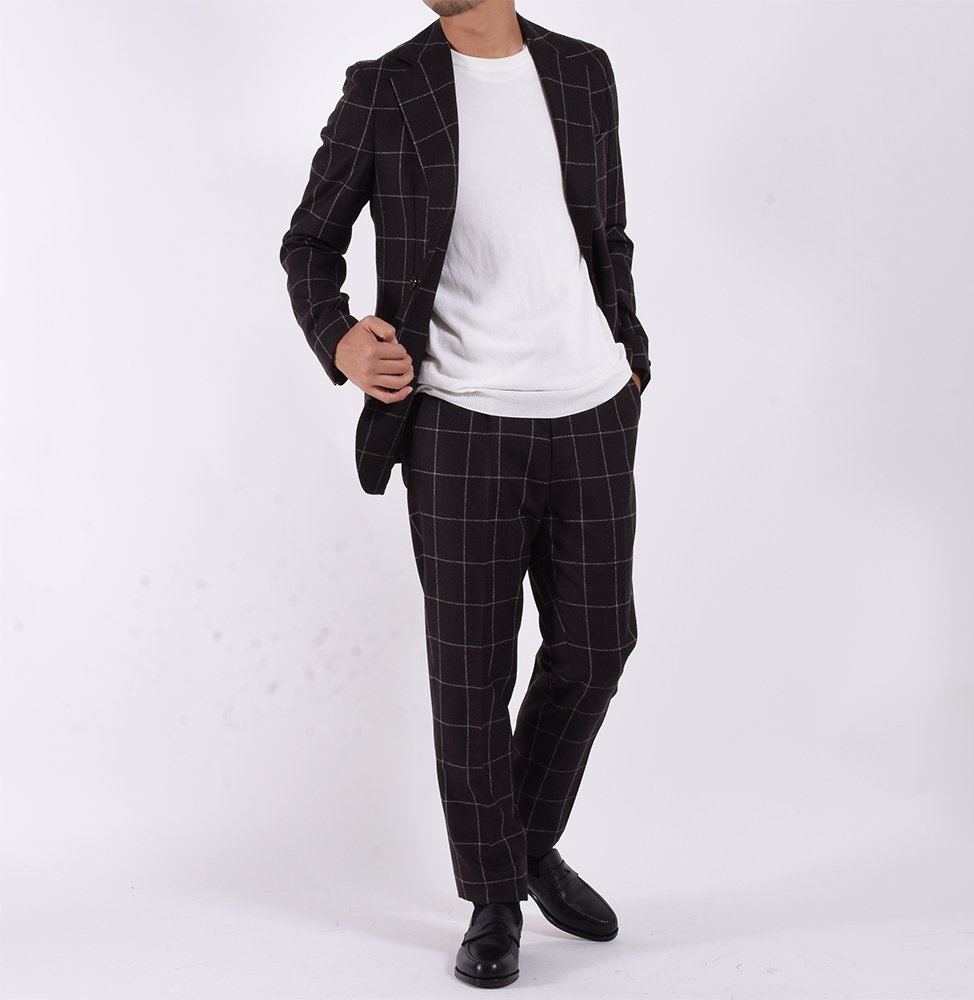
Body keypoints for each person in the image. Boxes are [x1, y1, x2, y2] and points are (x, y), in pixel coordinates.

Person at [280, 0, 650, 987]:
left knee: (598, 647)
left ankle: (522, 844)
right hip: (458, 421)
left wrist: (631, 351)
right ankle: (495, 898)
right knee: (472, 673)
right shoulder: (385, 87)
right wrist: (339, 337)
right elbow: (309, 241)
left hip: (591, 408)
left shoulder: (583, 72)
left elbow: (606, 231)